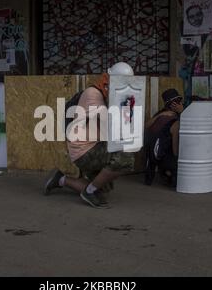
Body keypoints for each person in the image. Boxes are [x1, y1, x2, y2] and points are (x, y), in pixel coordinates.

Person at [44, 62, 136, 208]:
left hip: (92, 145)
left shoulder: (106, 94)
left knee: (103, 189)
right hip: (84, 150)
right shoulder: (93, 94)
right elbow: (111, 124)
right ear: (110, 79)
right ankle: (89, 192)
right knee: (126, 157)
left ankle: (61, 180)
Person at [144, 89, 184, 187]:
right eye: (176, 102)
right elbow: (146, 126)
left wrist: (182, 112)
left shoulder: (177, 115)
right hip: (162, 153)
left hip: (158, 152)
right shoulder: (166, 116)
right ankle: (170, 171)